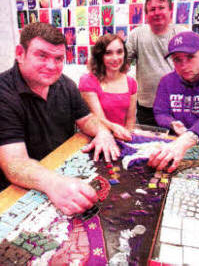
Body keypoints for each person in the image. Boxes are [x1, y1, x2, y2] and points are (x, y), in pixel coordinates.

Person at [0, 22, 120, 216]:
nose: (51, 66)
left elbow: (87, 119)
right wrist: (53, 183)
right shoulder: (3, 93)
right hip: (18, 192)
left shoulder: (65, 84)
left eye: (58, 58)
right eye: (42, 56)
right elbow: (14, 164)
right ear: (20, 54)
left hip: (60, 171)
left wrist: (102, 132)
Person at [148, 31, 199, 172]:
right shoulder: (167, 81)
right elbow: (160, 112)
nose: (183, 65)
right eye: (177, 59)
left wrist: (187, 138)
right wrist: (171, 123)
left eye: (190, 57)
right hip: (182, 147)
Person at [126, 0, 187, 126]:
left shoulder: (182, 33)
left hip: (177, 105)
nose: (157, 12)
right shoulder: (136, 35)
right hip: (147, 106)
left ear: (170, 11)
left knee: (178, 143)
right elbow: (122, 65)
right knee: (149, 144)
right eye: (152, 9)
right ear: (146, 15)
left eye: (161, 8)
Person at [79, 33, 137, 140]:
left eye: (119, 52)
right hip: (96, 138)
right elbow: (99, 119)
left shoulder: (131, 82)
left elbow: (130, 120)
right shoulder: (88, 81)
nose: (115, 58)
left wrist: (127, 138)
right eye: (108, 53)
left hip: (122, 137)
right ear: (100, 56)